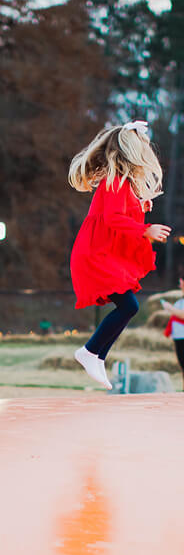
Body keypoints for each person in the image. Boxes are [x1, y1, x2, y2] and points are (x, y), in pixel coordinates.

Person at [69, 120, 170, 389]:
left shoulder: (121, 184)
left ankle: (95, 356)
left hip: (101, 251)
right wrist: (146, 229)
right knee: (129, 306)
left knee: (128, 307)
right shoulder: (115, 181)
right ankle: (90, 352)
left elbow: (119, 214)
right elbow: (113, 218)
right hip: (96, 253)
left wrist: (140, 207)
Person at [161, 279, 184, 389]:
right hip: (178, 337)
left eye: (181, 282)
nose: (180, 284)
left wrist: (170, 308)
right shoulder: (180, 301)